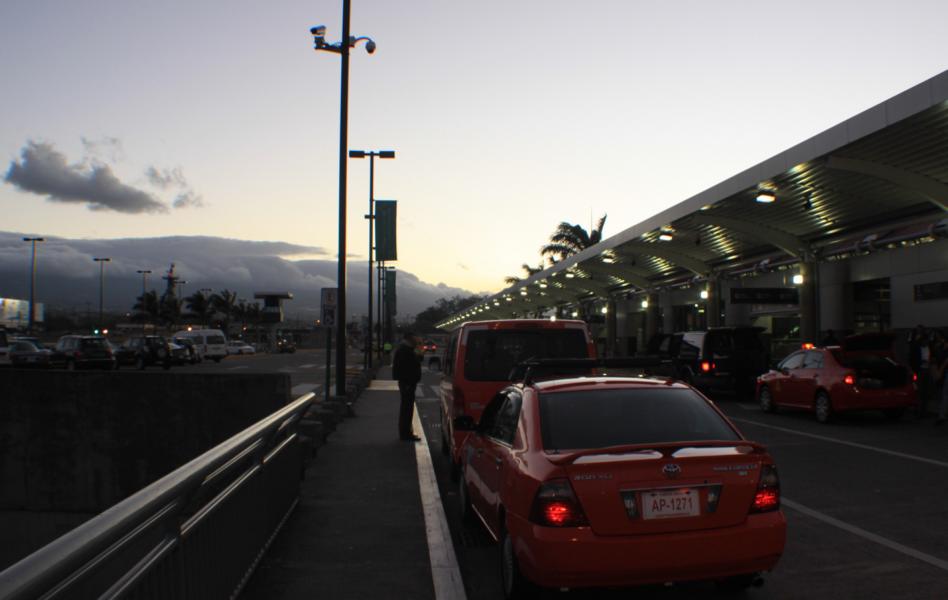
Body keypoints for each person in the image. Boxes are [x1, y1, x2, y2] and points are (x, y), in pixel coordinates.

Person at [392, 331, 422, 441]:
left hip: (408, 382)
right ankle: (405, 434)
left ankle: (406, 432)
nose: (417, 339)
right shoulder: (404, 350)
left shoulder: (407, 349)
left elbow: (418, 360)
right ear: (409, 338)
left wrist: (419, 350)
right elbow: (404, 367)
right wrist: (408, 382)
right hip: (407, 383)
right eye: (415, 337)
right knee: (406, 408)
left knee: (407, 408)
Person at [908, 325, 932, 417]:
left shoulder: (929, 348)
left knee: (926, 391)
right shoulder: (916, 348)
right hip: (920, 370)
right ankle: (918, 410)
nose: (926, 342)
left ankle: (923, 410)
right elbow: (912, 359)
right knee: (919, 390)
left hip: (927, 370)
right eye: (924, 341)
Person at [932, 331, 948, 426]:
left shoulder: (944, 349)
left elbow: (945, 361)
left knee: (945, 395)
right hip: (944, 373)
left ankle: (941, 416)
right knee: (944, 395)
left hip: (945, 373)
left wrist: (940, 372)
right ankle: (941, 415)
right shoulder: (940, 348)